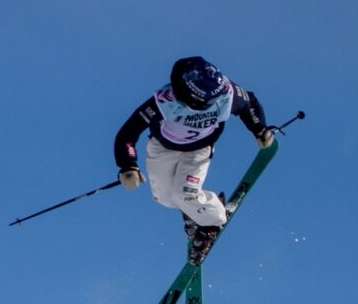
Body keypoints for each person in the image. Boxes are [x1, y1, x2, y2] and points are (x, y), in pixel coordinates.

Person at [113, 56, 274, 264]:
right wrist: (128, 166)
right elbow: (127, 134)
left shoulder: (226, 94)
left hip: (199, 150)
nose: (203, 106)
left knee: (185, 194)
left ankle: (212, 220)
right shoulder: (164, 101)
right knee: (166, 199)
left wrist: (259, 128)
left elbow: (249, 104)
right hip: (163, 148)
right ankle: (193, 213)